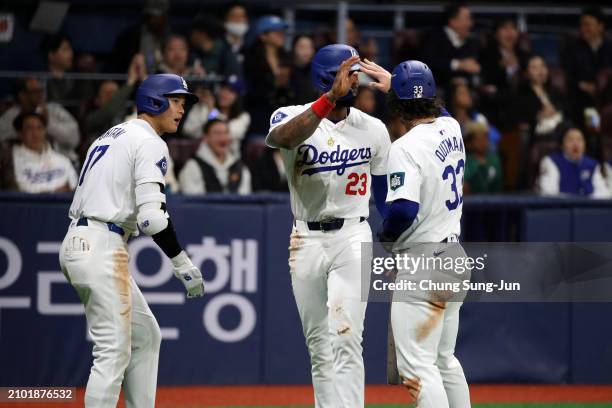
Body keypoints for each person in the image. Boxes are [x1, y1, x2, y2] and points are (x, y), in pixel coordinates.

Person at [59, 74, 205, 408]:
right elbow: (152, 219)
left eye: (185, 102)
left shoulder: (111, 134)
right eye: (176, 100)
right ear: (154, 100)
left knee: (145, 336)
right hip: (100, 244)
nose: (182, 108)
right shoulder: (150, 140)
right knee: (113, 348)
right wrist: (182, 262)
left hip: (84, 239)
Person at [266, 44, 390, 407]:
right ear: (327, 76)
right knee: (319, 344)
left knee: (347, 337)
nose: (357, 80)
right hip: (304, 238)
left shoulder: (373, 128)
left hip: (352, 233)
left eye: (356, 73)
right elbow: (282, 139)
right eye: (349, 72)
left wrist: (395, 234)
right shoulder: (291, 115)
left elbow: (382, 195)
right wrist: (326, 101)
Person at [360, 58, 470, 408]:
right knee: (444, 360)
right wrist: (399, 83)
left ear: (396, 106)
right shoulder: (451, 129)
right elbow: (444, 112)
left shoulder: (404, 148)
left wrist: (385, 236)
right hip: (454, 257)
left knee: (418, 368)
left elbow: (404, 210)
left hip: (422, 262)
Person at [0, 77, 80, 163]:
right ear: (22, 95)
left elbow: (74, 140)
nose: (40, 95)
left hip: (63, 160)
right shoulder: (11, 116)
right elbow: (3, 141)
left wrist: (48, 123)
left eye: (40, 91)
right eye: (34, 92)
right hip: (24, 163)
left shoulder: (55, 110)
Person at [561, 7, 612, 126]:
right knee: (590, 116)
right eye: (582, 25)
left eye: (588, 25)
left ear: (600, 26)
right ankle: (591, 137)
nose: (584, 29)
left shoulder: (610, 47)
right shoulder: (572, 48)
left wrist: (600, 88)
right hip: (584, 99)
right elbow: (567, 75)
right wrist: (582, 85)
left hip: (607, 97)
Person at [179, 118, 251, 195]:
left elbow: (245, 201)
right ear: (206, 137)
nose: (223, 138)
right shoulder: (192, 167)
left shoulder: (241, 168)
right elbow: (193, 203)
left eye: (226, 133)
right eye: (217, 133)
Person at [244, 15, 289, 136]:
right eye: (276, 32)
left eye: (282, 31)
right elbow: (250, 89)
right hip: (259, 117)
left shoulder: (286, 57)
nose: (281, 35)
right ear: (263, 36)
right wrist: (273, 84)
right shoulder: (251, 59)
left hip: (282, 118)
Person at [10, 112, 77, 193]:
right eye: (29, 128)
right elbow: (22, 190)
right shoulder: (12, 162)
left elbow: (74, 187)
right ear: (20, 134)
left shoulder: (63, 160)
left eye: (39, 128)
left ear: (45, 131)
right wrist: (54, 192)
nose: (35, 133)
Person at [536, 125, 610, 197]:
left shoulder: (592, 165)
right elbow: (549, 193)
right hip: (562, 207)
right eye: (570, 140)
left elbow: (603, 194)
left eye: (579, 140)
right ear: (561, 145)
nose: (576, 144)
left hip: (589, 208)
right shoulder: (551, 162)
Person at [421, 3, 481, 91]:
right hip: (436, 86)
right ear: (453, 21)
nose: (471, 23)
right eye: (467, 19)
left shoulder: (471, 42)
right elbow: (427, 64)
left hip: (464, 88)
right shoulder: (433, 37)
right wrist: (458, 65)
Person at [111, 0, 170, 73]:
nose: (153, 20)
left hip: (166, 80)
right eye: (150, 16)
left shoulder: (172, 36)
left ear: (165, 16)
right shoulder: (129, 37)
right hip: (138, 80)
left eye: (157, 16)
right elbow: (116, 65)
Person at [516, 55, 566, 140]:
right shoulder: (521, 94)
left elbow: (566, 110)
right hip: (539, 132)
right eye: (535, 68)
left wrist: (555, 110)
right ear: (526, 73)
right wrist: (539, 116)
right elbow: (520, 118)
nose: (541, 71)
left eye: (542, 66)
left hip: (560, 128)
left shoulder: (555, 91)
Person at [447, 82, 501, 151]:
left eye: (468, 93)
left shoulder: (479, 118)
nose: (467, 96)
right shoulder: (448, 122)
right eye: (462, 93)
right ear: (453, 97)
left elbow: (496, 137)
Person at [189, 14, 241, 79]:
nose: (191, 37)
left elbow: (239, 83)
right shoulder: (194, 54)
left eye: (193, 33)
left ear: (202, 34)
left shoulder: (226, 55)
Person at [463, 121, 503, 193]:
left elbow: (499, 187)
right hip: (471, 202)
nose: (483, 142)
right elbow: (464, 186)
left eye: (485, 138)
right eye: (478, 139)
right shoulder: (465, 161)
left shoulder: (494, 160)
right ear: (469, 142)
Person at [215, 76, 250, 157]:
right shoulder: (207, 108)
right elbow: (189, 129)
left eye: (230, 91)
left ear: (238, 97)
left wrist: (213, 112)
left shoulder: (244, 117)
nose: (224, 94)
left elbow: (226, 133)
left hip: (231, 161)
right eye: (223, 88)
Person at [291, 34, 318, 105]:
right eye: (301, 47)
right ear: (293, 48)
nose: (306, 51)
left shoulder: (318, 73)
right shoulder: (286, 72)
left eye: (309, 47)